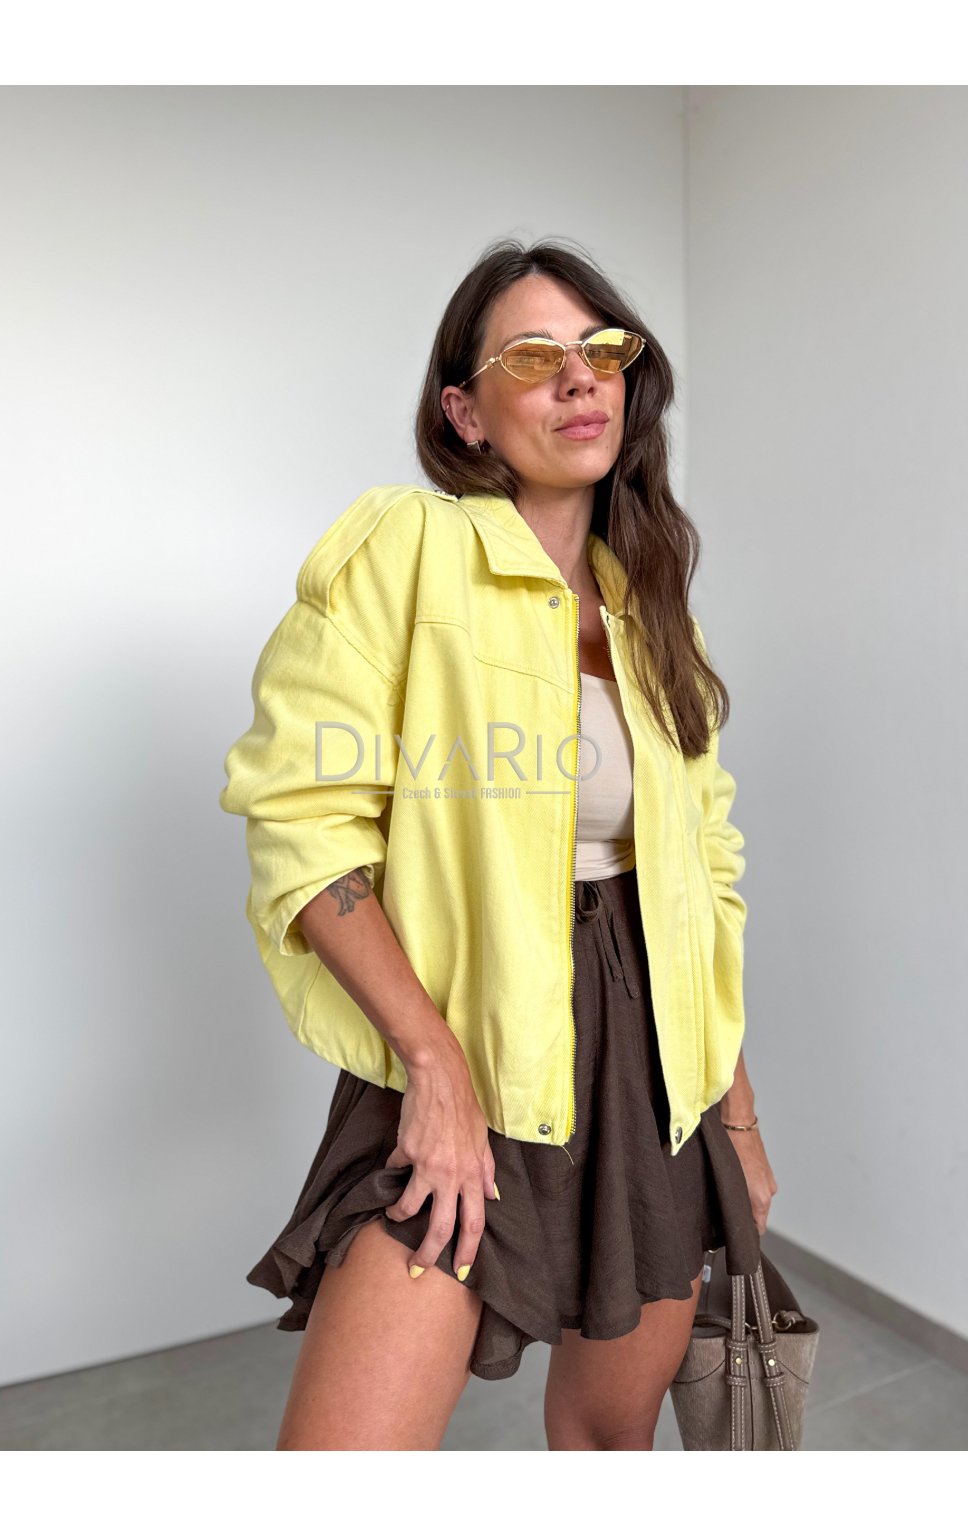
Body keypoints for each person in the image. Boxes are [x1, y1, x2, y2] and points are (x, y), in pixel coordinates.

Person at [219, 237, 778, 1451]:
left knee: (606, 1444)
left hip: (653, 1067)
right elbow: (302, 821)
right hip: (466, 1038)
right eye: (532, 357)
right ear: (464, 413)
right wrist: (430, 1063)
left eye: (600, 351)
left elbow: (703, 881)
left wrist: (732, 1114)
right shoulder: (404, 550)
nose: (578, 378)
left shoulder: (652, 610)